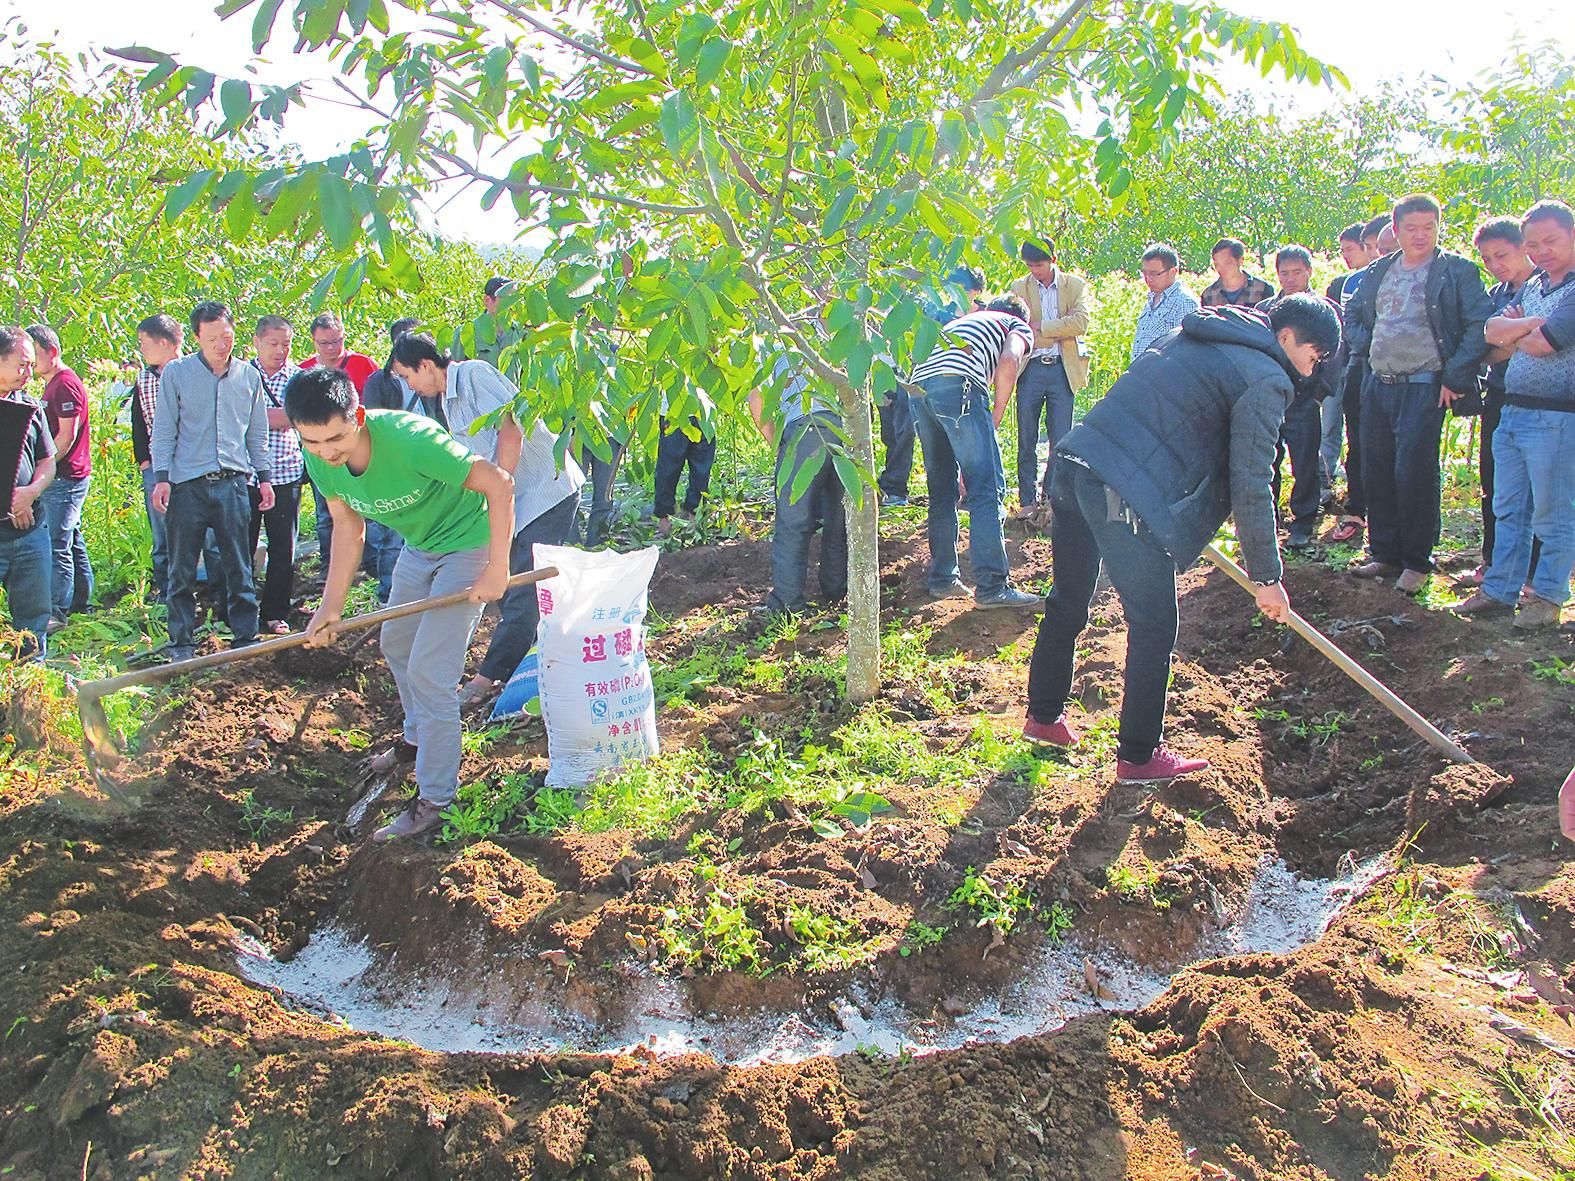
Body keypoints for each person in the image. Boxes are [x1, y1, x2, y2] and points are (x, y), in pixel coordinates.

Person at [1023, 296, 1341, 782]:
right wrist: (1268, 577)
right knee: (1154, 621)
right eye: (1314, 356)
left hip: (1076, 463)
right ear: (1287, 337)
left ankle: (1043, 719)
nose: (1309, 369)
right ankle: (1139, 755)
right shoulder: (1266, 378)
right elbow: (1252, 481)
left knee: (1069, 598)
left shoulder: (1198, 333)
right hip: (1121, 488)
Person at [287, 367, 515, 842]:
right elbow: (348, 530)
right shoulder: (319, 460)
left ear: (360, 417)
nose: (327, 451)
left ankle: (435, 799)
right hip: (419, 546)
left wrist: (497, 566)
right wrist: (330, 607)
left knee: (431, 672)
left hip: (468, 544)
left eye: (336, 438)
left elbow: (498, 483)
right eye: (313, 442)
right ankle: (417, 739)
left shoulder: (411, 439)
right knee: (396, 643)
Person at [390, 334, 585, 704]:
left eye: (407, 376)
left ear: (426, 365)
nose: (409, 385)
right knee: (511, 582)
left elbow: (511, 427)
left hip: (545, 490)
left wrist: (502, 487)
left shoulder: (474, 375)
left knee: (521, 590)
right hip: (516, 502)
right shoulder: (448, 404)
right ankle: (538, 656)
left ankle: (489, 678)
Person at [1344, 193, 1491, 594]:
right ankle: (1385, 553)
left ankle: (1416, 561)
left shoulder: (1455, 271)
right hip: (1378, 382)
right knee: (1377, 468)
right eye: (1412, 228)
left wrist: (1456, 376)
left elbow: (1480, 323)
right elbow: (1353, 313)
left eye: (1429, 227)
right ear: (1396, 230)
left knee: (1414, 472)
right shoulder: (1380, 270)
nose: (1421, 235)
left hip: (1426, 384)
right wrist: (1367, 344)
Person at [1455, 200, 1575, 630]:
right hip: (1513, 410)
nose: (1542, 250)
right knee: (1508, 507)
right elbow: (1492, 336)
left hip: (1559, 416)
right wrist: (1532, 325)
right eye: (1533, 244)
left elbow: (1547, 343)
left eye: (1551, 241)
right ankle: (1500, 589)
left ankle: (1546, 597)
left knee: (1554, 514)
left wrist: (1521, 329)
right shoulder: (1533, 286)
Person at [151, 302, 274, 663]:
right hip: (187, 483)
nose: (221, 344)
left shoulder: (248, 377)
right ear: (197, 338)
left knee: (239, 562)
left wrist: (264, 477)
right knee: (182, 567)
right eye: (212, 338)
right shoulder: (177, 374)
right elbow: (164, 430)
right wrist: (162, 479)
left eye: (227, 337)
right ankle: (181, 642)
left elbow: (257, 433)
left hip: (233, 483)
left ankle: (245, 637)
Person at [908, 296, 1041, 609]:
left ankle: (943, 579)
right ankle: (993, 586)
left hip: (920, 390)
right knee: (986, 489)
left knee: (942, 490)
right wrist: (995, 416)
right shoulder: (1016, 324)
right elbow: (1009, 361)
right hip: (960, 386)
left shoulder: (963, 323)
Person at [1464, 216, 1539, 587]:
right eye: (1488, 259)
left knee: (1538, 489)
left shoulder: (1549, 288)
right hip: (1498, 395)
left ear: (1524, 246)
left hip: (1542, 401)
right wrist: (1517, 334)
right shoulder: (1496, 296)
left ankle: (1533, 573)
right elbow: (1484, 350)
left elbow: (1548, 344)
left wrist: (1509, 336)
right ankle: (1492, 561)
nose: (1495, 265)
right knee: (1493, 481)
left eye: (1502, 255)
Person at [1258, 246, 1345, 549]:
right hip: (1269, 400)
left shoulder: (1323, 311)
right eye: (1285, 273)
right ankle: (1265, 522)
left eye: (1297, 272)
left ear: (1309, 271)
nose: (1291, 278)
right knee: (1266, 462)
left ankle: (1304, 520)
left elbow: (1334, 361)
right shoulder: (1267, 310)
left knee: (1305, 462)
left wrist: (1316, 395)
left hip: (1304, 401)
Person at [877, 265, 985, 507]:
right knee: (912, 433)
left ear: (976, 291)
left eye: (963, 288)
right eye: (951, 287)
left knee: (971, 439)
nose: (956, 293)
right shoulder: (937, 313)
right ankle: (924, 493)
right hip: (932, 384)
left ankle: (972, 493)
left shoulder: (986, 315)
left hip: (973, 384)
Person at [749, 353, 847, 615]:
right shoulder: (837, 340)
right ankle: (837, 590)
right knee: (840, 518)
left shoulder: (778, 346)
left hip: (805, 427)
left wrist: (778, 445)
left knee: (793, 521)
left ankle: (788, 602)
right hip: (845, 431)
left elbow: (757, 397)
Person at [1008, 239, 1090, 516]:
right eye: (1030, 266)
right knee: (1026, 436)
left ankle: (1052, 499)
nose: (1035, 271)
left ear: (1053, 259)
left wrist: (1042, 326)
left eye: (1040, 265)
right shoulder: (1019, 288)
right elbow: (1018, 327)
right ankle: (1027, 501)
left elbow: (1081, 323)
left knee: (1061, 438)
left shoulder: (1074, 285)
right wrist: (1059, 328)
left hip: (1061, 368)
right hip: (1030, 368)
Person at [1327, 213, 1396, 546]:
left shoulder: (1420, 278)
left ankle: (1393, 521)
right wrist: (1369, 344)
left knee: (1396, 448)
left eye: (1381, 247)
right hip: (1359, 364)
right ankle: (1356, 510)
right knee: (1358, 442)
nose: (1376, 253)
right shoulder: (1356, 281)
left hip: (1402, 373)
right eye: (1371, 247)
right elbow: (1349, 322)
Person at [26, 325, 93, 629]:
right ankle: (82, 600)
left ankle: (57, 609)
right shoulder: (53, 384)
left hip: (66, 477)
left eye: (35, 355)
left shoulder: (65, 384)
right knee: (72, 538)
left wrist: (43, 468)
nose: (30, 363)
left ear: (51, 353)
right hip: (64, 476)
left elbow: (66, 436)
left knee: (57, 543)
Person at [298, 312, 377, 571]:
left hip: (359, 446)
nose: (332, 348)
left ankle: (371, 562)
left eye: (337, 341)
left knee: (369, 504)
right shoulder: (303, 371)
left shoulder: (363, 365)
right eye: (325, 343)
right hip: (322, 451)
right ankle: (330, 564)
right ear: (314, 341)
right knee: (327, 511)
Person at [360, 317, 424, 602]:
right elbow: (373, 426)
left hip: (429, 462)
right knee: (392, 536)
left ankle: (419, 594)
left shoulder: (433, 373)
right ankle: (388, 596)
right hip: (395, 465)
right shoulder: (380, 381)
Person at [0, 327, 55, 657]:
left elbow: (47, 461)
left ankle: (31, 689)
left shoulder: (31, 407)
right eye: (21, 364)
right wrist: (10, 500)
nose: (28, 373)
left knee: (33, 619)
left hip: (29, 530)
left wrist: (30, 493)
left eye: (31, 365)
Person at [248, 316, 305, 634]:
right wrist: (274, 417)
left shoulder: (297, 378)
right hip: (245, 474)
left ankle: (275, 611)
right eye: (274, 343)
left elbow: (295, 417)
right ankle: (242, 610)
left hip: (286, 471)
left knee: (284, 547)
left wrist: (260, 417)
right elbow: (233, 418)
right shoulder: (241, 375)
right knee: (242, 546)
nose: (280, 350)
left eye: (286, 344)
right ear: (257, 342)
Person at [131, 314, 184, 599]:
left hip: (190, 465)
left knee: (205, 532)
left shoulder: (193, 371)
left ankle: (212, 588)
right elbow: (138, 421)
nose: (141, 349)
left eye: (144, 342)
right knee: (161, 532)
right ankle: (167, 590)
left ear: (163, 343)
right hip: (157, 466)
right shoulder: (143, 378)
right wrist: (145, 461)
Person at [1318, 223, 1370, 508]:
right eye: (1342, 251)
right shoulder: (1340, 284)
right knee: (1330, 424)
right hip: (1339, 363)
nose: (1345, 256)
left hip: (1365, 366)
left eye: (1349, 249)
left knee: (1361, 431)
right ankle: (1325, 479)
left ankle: (1361, 492)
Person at [1130, 243, 1200, 361]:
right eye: (1145, 273)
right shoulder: (1150, 302)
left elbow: (1187, 351)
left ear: (1173, 271)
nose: (1148, 278)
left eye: (1154, 273)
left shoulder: (1185, 302)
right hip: (1141, 374)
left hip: (1165, 376)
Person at [652, 411, 716, 537]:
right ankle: (664, 519)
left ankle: (694, 517)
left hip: (704, 413)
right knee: (668, 469)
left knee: (701, 470)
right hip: (673, 413)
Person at [1200, 238, 1275, 308]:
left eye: (1227, 263)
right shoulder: (1208, 295)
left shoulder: (1262, 289)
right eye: (1217, 264)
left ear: (1241, 260)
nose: (1221, 268)